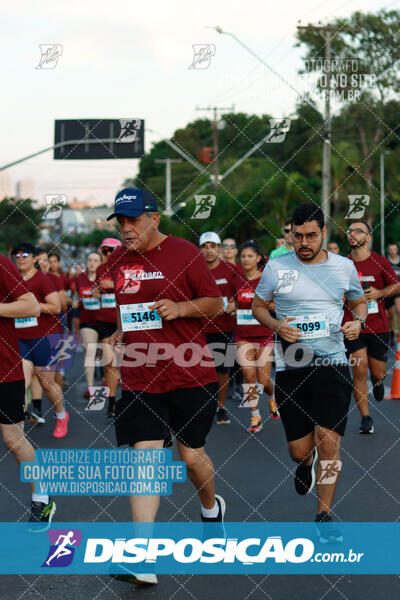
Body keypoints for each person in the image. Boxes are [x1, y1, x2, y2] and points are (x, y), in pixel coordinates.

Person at [107, 187, 225, 587]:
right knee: (145, 464)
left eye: (133, 220)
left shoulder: (185, 253)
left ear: (154, 218)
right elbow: (131, 307)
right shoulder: (119, 262)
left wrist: (182, 309)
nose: (126, 229)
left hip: (190, 374)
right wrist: (121, 331)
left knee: (192, 459)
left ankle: (211, 508)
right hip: (141, 378)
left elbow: (216, 302)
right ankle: (142, 557)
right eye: (121, 222)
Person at [253, 203, 366, 538]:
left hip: (332, 364)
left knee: (329, 441)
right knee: (299, 450)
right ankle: (305, 464)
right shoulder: (276, 267)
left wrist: (357, 321)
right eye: (297, 235)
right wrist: (276, 325)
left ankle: (324, 515)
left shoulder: (344, 267)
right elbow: (258, 306)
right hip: (292, 366)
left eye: (311, 235)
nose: (303, 242)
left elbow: (359, 301)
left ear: (324, 233)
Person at [0, 253, 56, 530]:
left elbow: (31, 307)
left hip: (3, 369)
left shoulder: (1, 263)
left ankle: (42, 496)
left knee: (13, 438)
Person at [343, 222, 400, 434]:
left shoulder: (380, 261)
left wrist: (379, 293)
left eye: (357, 231)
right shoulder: (343, 263)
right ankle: (365, 417)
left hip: (378, 326)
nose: (352, 234)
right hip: (353, 326)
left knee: (378, 373)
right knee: (359, 369)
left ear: (367, 237)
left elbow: (396, 285)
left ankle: (377, 384)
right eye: (350, 231)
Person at [12, 243, 69, 438]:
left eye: (25, 254)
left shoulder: (42, 280)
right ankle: (17, 428)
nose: (20, 257)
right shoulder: (12, 280)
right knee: (21, 382)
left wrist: (31, 307)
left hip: (44, 338)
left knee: (47, 384)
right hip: (20, 338)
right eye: (17, 255)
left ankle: (61, 415)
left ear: (34, 258)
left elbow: (56, 307)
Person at [226, 240, 279, 433]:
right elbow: (232, 303)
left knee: (264, 380)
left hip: (264, 333)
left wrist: (272, 306)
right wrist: (231, 308)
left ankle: (272, 398)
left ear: (258, 259)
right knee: (248, 376)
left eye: (250, 256)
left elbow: (276, 304)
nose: (246, 259)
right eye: (243, 256)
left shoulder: (267, 280)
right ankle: (255, 416)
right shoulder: (236, 280)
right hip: (243, 335)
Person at [199, 231, 237, 425]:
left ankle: (220, 407)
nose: (209, 250)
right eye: (205, 246)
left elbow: (245, 293)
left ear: (219, 249)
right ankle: (204, 407)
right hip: (199, 329)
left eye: (213, 246)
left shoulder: (232, 269)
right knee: (201, 371)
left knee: (223, 371)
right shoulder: (194, 270)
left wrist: (235, 305)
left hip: (224, 328)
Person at [94, 238, 123, 417]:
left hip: (124, 320)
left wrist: (112, 285)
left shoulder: (127, 267)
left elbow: (134, 288)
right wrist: (97, 291)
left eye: (112, 250)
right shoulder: (99, 269)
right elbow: (99, 290)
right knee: (110, 362)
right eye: (105, 251)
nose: (109, 254)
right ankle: (111, 403)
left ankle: (130, 400)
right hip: (105, 320)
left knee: (128, 363)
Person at [76, 252, 102, 398]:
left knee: (106, 353)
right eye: (90, 260)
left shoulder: (105, 278)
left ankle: (106, 377)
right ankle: (91, 388)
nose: (92, 263)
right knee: (89, 349)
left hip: (104, 320)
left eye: (95, 260)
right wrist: (75, 301)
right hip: (87, 320)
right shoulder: (81, 278)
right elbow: (77, 296)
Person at [385, 243, 400, 346]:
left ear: (397, 250)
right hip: (388, 290)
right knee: (390, 315)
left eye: (394, 249)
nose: (392, 251)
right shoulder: (385, 261)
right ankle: (391, 334)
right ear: (388, 250)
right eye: (390, 249)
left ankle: (398, 333)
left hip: (398, 290)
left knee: (399, 310)